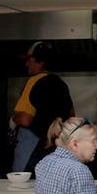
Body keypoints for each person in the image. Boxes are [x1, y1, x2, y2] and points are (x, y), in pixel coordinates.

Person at [11, 41, 74, 174]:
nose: (26, 64)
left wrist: (13, 118)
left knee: (22, 188)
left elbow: (25, 119)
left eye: (30, 60)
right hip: (57, 149)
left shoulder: (34, 81)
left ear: (40, 62)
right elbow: (72, 116)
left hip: (32, 149)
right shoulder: (61, 84)